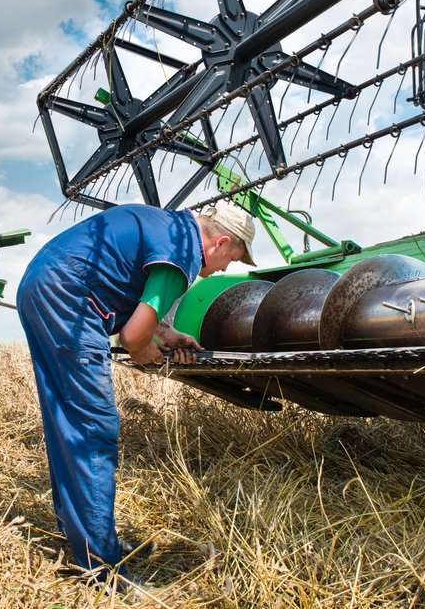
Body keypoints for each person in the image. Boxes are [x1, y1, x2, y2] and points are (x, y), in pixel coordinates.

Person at [16, 203, 256, 584]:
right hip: (69, 296)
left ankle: (84, 537)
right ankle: (103, 569)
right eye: (231, 259)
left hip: (42, 283)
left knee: (68, 421)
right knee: (94, 428)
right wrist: (145, 349)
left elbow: (124, 287)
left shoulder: (168, 227)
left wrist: (165, 333)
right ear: (220, 241)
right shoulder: (183, 252)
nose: (225, 269)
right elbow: (131, 337)